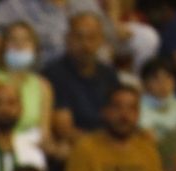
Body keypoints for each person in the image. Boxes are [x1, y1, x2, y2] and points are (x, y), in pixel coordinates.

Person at [45, 12, 122, 151]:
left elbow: (118, 116)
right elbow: (64, 130)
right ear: (67, 39)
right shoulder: (54, 74)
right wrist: (105, 145)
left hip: (109, 145)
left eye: (92, 38)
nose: (85, 45)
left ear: (101, 41)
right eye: (79, 37)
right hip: (76, 149)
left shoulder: (109, 74)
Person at [0, 23, 58, 158]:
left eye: (25, 40)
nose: (19, 45)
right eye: (13, 40)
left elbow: (45, 133)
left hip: (31, 150)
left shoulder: (44, 86)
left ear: (35, 48)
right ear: (3, 46)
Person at [140, 56, 176, 139]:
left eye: (168, 77)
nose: (163, 83)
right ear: (145, 83)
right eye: (156, 78)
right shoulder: (138, 108)